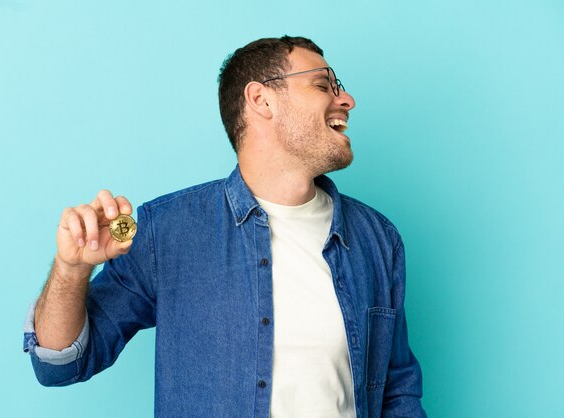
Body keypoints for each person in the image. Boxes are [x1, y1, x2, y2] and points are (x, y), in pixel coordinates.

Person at [23, 35, 427, 418]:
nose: (347, 100)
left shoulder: (378, 240)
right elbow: (59, 364)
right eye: (323, 85)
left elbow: (397, 391)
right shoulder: (166, 232)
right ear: (261, 99)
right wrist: (71, 269)